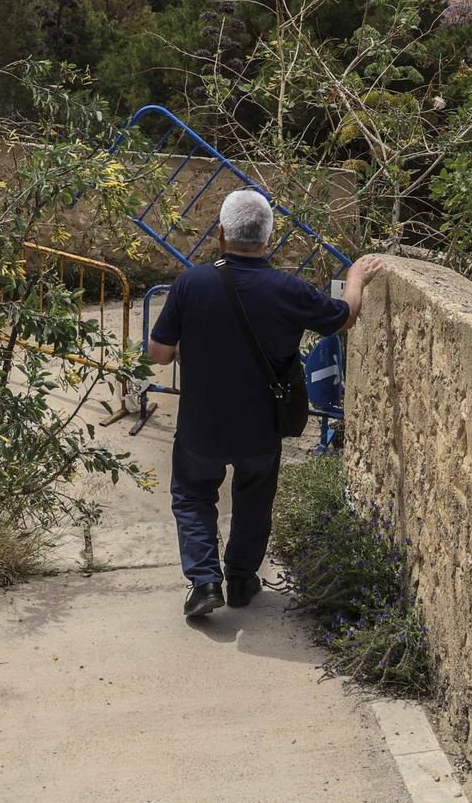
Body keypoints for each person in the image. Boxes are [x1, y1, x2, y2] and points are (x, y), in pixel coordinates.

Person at [146, 188, 383, 619]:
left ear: (221, 233)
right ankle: (240, 580)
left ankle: (203, 582)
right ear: (268, 239)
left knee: (193, 494)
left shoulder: (190, 283)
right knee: (254, 498)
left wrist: (190, 347)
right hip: (261, 427)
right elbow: (343, 317)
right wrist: (356, 279)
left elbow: (158, 353)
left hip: (202, 425)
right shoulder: (287, 288)